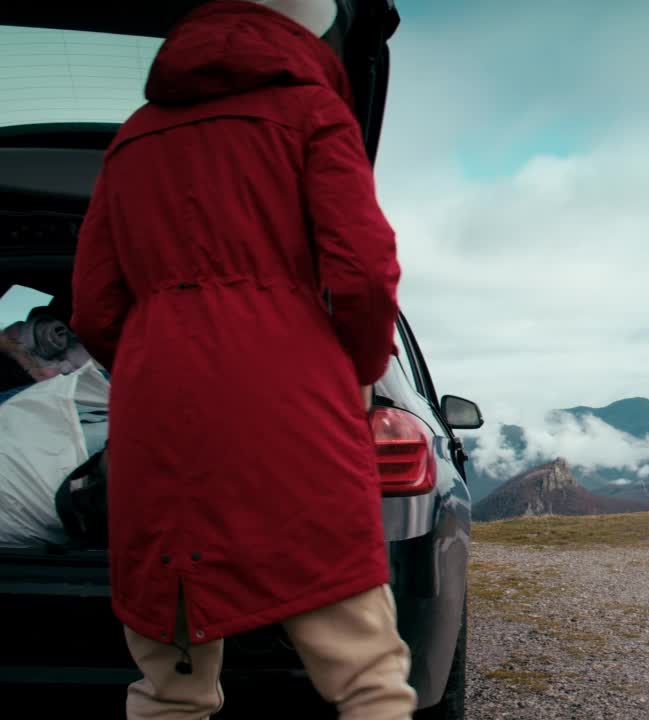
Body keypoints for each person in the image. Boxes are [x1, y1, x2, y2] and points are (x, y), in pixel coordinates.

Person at [70, 1, 412, 718]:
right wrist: (352, 372)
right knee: (364, 671)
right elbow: (364, 272)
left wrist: (146, 361)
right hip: (289, 386)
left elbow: (96, 307)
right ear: (310, 28)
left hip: (156, 398)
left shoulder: (132, 136)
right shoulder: (311, 110)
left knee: (170, 678)